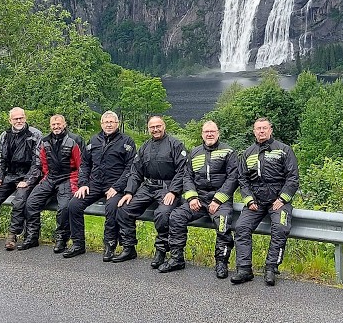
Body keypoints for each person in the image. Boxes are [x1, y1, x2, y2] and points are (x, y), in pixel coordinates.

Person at [158, 120, 240, 277]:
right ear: (202, 134)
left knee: (223, 224)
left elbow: (233, 178)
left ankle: (221, 263)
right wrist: (192, 197)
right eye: (206, 132)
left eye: (212, 131)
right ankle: (176, 258)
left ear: (218, 133)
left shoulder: (228, 152)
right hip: (199, 198)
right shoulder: (194, 152)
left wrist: (218, 200)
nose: (209, 134)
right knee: (176, 216)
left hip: (220, 200)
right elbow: (187, 177)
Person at [230, 117, 300, 286]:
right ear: (254, 131)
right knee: (241, 227)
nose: (261, 131)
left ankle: (271, 268)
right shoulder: (248, 153)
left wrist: (282, 198)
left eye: (264, 128)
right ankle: (244, 269)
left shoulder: (284, 150)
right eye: (258, 128)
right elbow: (242, 179)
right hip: (256, 201)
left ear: (270, 130)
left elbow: (293, 177)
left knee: (280, 228)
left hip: (278, 200)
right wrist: (248, 199)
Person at [113, 115, 188, 266]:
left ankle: (161, 251)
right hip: (147, 187)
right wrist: (129, 192)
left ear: (164, 126)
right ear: (148, 129)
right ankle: (129, 248)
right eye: (152, 127)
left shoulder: (176, 145)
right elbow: (135, 172)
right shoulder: (145, 147)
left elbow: (182, 171)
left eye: (158, 126)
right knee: (124, 209)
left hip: (167, 187)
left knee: (163, 213)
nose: (155, 129)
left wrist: (173, 191)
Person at [63, 111, 136, 260]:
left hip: (115, 185)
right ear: (101, 124)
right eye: (106, 122)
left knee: (112, 207)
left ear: (117, 124)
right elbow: (85, 164)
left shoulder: (127, 141)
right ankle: (78, 244)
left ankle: (109, 245)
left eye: (112, 122)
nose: (109, 125)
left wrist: (117, 187)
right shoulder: (93, 140)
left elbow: (130, 168)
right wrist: (83, 184)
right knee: (74, 205)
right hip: (95, 184)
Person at [0, 108, 44, 250]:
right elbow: (0, 159)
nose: (19, 121)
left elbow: (38, 163)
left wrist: (27, 181)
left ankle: (12, 235)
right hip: (10, 175)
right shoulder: (5, 135)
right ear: (10, 121)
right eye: (16, 119)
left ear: (25, 118)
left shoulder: (35, 135)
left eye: (21, 118)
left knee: (19, 201)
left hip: (28, 175)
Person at [18, 114, 84, 253]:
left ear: (64, 124)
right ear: (50, 126)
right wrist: (46, 176)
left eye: (58, 124)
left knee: (64, 208)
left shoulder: (74, 140)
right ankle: (32, 237)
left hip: (68, 177)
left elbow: (81, 165)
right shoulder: (45, 141)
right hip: (50, 177)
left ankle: (61, 239)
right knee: (31, 202)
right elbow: (43, 162)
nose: (56, 126)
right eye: (53, 124)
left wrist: (78, 182)